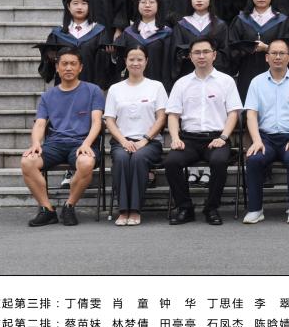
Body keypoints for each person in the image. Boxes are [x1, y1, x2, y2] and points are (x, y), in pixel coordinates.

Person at [20, 48, 104, 226]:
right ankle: (47, 210)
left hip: (82, 142)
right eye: (64, 64)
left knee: (86, 162)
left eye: (73, 64)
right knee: (27, 162)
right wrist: (35, 143)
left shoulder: (93, 90)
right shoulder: (48, 96)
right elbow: (40, 124)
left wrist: (87, 144)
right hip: (55, 144)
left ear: (80, 67)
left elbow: (97, 121)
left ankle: (69, 206)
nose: (68, 68)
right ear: (57, 67)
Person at [164, 37, 242, 225]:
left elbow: (233, 113)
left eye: (206, 52)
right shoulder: (181, 83)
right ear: (190, 56)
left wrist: (223, 137)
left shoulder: (226, 81)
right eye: (197, 52)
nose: (201, 56)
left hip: (217, 138)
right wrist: (175, 138)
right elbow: (173, 115)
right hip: (188, 139)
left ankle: (211, 208)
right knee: (172, 162)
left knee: (219, 161)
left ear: (214, 55)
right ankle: (185, 208)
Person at [241, 39, 289, 224]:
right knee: (254, 159)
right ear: (267, 57)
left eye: (282, 53)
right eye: (274, 53)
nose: (278, 57)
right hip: (265, 138)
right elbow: (251, 114)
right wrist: (256, 140)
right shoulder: (257, 82)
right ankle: (255, 209)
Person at [104, 45, 167, 226]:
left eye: (140, 59)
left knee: (139, 158)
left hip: (150, 142)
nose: (135, 63)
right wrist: (123, 141)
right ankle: (123, 210)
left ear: (146, 61)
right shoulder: (115, 88)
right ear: (125, 61)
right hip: (121, 141)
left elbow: (161, 118)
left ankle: (135, 210)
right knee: (122, 158)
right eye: (131, 59)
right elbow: (109, 120)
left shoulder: (156, 86)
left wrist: (145, 140)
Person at [228, 0, 289, 101]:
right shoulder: (241, 20)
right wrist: (246, 49)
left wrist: (268, 48)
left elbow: (288, 51)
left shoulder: (282, 21)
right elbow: (232, 48)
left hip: (276, 76)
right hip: (247, 74)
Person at [37, 0, 113, 91]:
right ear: (68, 6)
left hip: (90, 87)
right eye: (75, 3)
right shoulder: (58, 33)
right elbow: (48, 70)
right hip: (64, 88)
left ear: (89, 6)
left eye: (84, 3)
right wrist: (50, 59)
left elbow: (105, 67)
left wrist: (111, 55)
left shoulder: (99, 31)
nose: (79, 7)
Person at [113, 0, 176, 92]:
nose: (147, 5)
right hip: (132, 86)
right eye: (143, 2)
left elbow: (169, 64)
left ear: (158, 5)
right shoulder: (129, 33)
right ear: (137, 5)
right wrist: (113, 52)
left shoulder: (167, 33)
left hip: (157, 86)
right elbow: (120, 60)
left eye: (151, 2)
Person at [173, 0, 230, 77]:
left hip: (213, 76)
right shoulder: (181, 25)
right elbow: (176, 53)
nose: (199, 0)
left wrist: (208, 56)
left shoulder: (220, 25)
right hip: (188, 76)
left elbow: (225, 54)